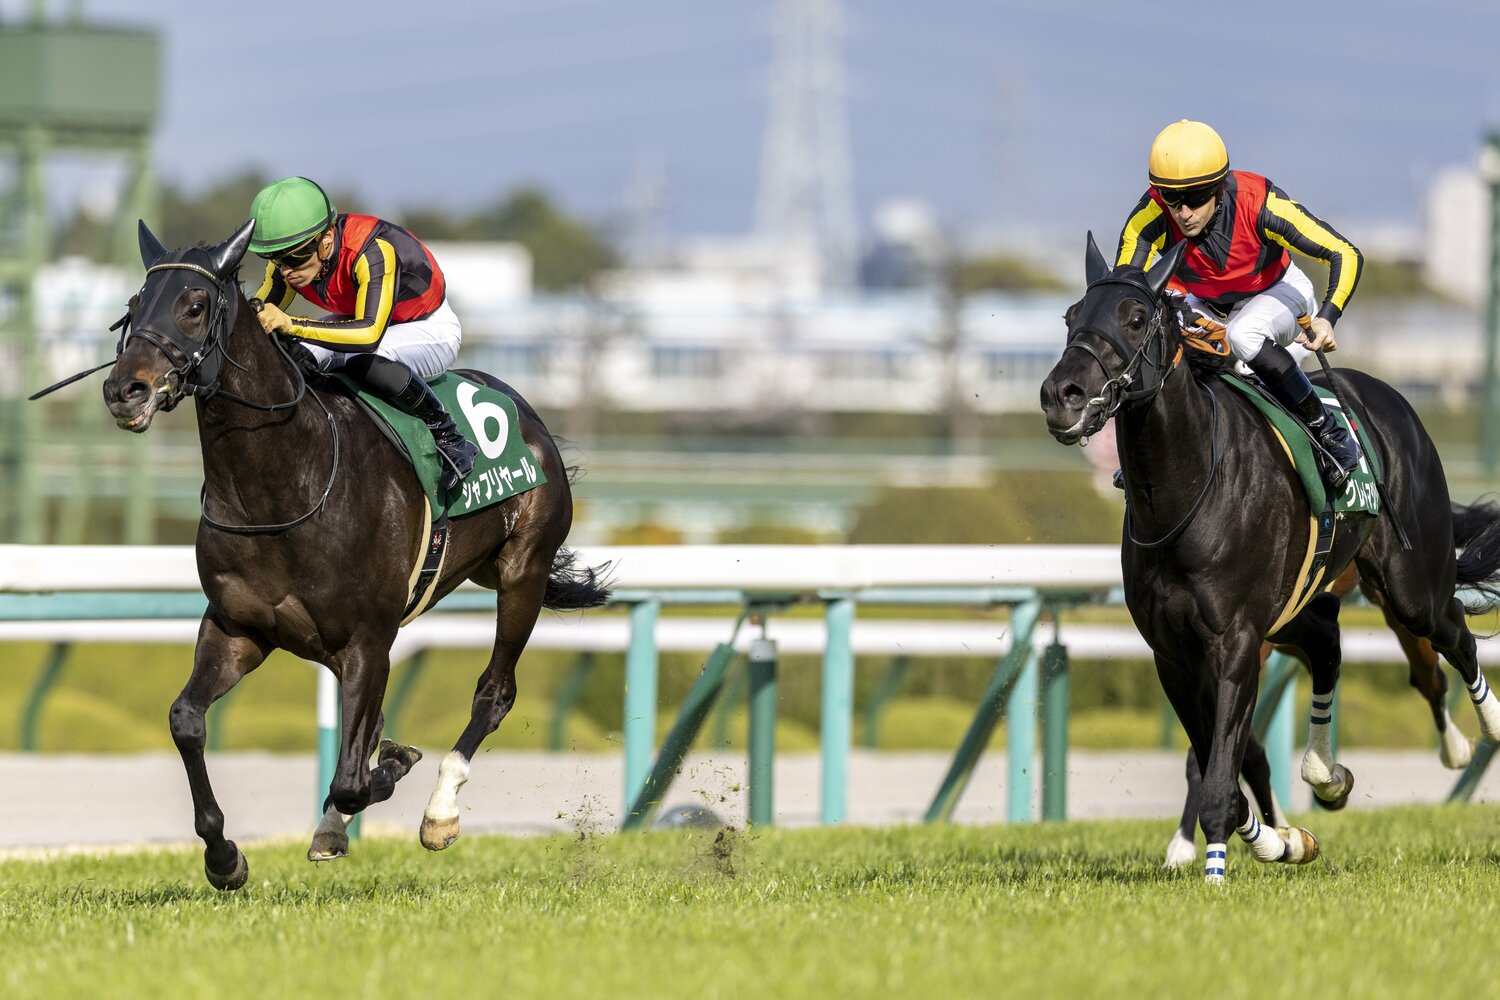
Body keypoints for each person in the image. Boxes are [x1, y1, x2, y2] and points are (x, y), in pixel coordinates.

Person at [1115, 120, 1364, 489]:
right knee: (1155, 330)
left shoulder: (1259, 203)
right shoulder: (1150, 214)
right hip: (1210, 305)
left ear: (1219, 185)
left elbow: (1345, 252)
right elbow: (1124, 288)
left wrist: (1328, 318)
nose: (1183, 212)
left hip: (1282, 295)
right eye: (1171, 198)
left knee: (1244, 334)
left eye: (1196, 197)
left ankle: (1328, 433)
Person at [245, 176, 479, 489]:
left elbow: (368, 334)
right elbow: (259, 318)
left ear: (326, 237)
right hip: (361, 320)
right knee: (291, 354)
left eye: (295, 257)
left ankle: (449, 437)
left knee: (362, 360)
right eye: (275, 258)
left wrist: (291, 324)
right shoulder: (291, 259)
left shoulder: (372, 252)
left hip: (427, 327)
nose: (286, 269)